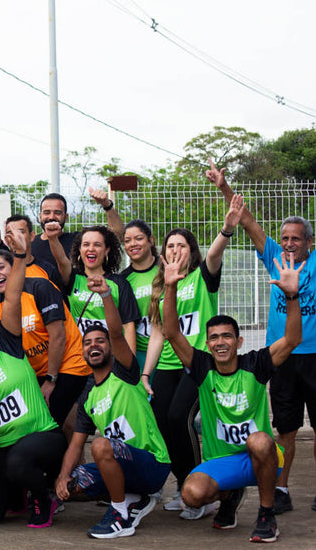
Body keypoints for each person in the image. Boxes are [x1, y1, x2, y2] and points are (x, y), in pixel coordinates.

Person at [163, 245, 302, 543]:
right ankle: (229, 497)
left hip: (261, 458)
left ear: (238, 341)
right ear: (208, 343)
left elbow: (292, 339)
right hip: (224, 460)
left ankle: (266, 514)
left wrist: (292, 296)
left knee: (260, 440)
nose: (220, 342)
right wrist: (170, 288)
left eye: (227, 336)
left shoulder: (256, 364)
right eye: (213, 337)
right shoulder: (202, 367)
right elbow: (172, 333)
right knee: (191, 494)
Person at [207, 161, 316, 514]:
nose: (288, 244)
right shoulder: (273, 258)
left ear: (309, 243)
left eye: (295, 239)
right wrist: (225, 188)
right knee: (285, 427)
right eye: (284, 238)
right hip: (282, 356)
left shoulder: (315, 264)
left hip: (315, 355)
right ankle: (280, 490)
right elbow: (248, 220)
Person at [54, 274, 172, 539]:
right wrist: (62, 477)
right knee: (73, 485)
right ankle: (133, 498)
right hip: (121, 464)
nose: (93, 345)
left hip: (152, 463)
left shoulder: (125, 371)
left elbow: (117, 332)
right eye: (87, 342)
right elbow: (74, 445)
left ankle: (120, 514)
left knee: (100, 446)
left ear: (109, 347)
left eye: (100, 341)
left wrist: (106, 295)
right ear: (82, 352)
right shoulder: (88, 398)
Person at [0, 230, 67, 528]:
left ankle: (43, 498)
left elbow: (12, 295)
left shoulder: (8, 344)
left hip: (43, 438)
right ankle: (15, 493)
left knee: (18, 461)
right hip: (4, 447)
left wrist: (20, 256)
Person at [143, 199, 238, 518]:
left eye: (181, 245)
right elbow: (157, 333)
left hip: (197, 363)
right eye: (170, 245)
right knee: (161, 421)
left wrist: (225, 229)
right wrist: (146, 375)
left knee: (179, 418)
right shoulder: (160, 286)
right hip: (168, 366)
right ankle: (187, 488)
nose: (174, 251)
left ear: (191, 250)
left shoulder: (202, 276)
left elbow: (214, 254)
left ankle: (204, 491)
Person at [0, 247, 91, 429]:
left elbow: (58, 336)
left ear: (15, 268)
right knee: (57, 426)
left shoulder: (40, 287)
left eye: (1, 267)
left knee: (47, 423)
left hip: (69, 365)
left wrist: (50, 380)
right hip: (38, 373)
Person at [51, 224, 139, 356]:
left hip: (110, 358)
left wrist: (129, 367)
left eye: (97, 245)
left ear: (107, 250)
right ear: (80, 249)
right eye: (86, 244)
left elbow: (128, 326)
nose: (91, 249)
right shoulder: (72, 278)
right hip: (79, 359)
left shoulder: (119, 283)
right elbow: (62, 260)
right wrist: (53, 238)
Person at [0, 166, 58, 283]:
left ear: (32, 236)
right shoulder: (1, 264)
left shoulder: (47, 270)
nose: (15, 237)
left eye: (21, 232)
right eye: (10, 233)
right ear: (6, 238)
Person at [118, 220, 160, 372]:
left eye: (139, 238)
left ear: (151, 240)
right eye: (127, 241)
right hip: (141, 353)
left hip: (169, 350)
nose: (133, 244)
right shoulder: (123, 280)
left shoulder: (166, 269)